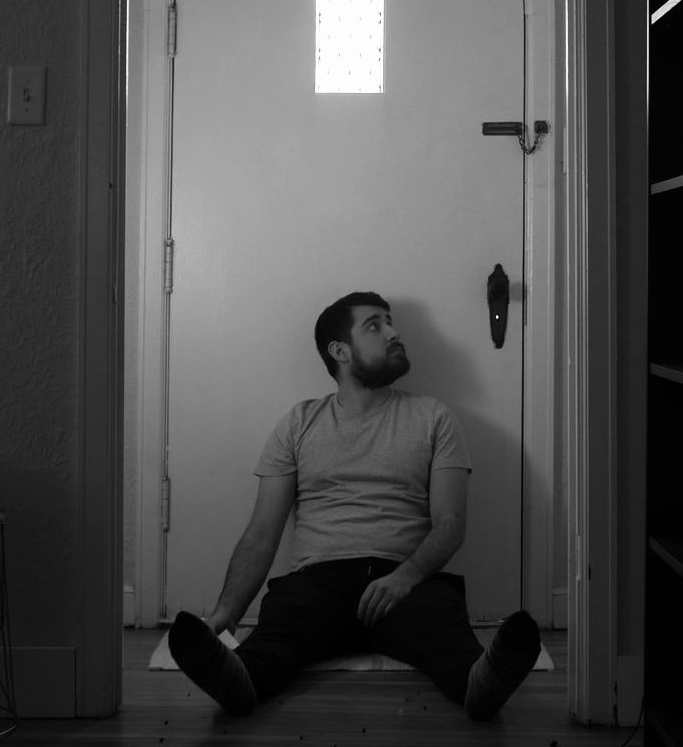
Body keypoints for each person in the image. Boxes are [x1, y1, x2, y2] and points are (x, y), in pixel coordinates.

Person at [166, 290, 543, 720]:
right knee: (275, 638)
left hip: (405, 578)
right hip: (317, 581)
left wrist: (403, 579)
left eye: (390, 321)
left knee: (445, 634)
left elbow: (451, 523)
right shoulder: (298, 423)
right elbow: (261, 533)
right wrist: (224, 615)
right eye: (375, 325)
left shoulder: (434, 418)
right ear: (340, 351)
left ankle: (480, 684)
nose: (394, 332)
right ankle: (240, 681)